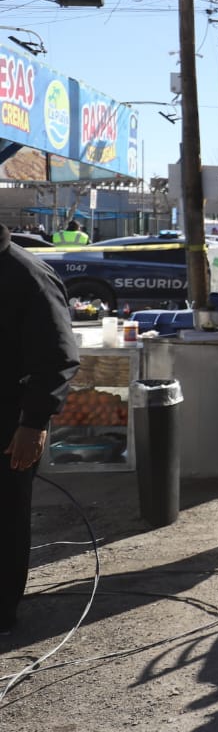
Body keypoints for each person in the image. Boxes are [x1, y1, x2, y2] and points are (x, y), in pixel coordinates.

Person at [1, 223, 80, 632]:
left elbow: (57, 356)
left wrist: (33, 423)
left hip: (9, 426)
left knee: (5, 520)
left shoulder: (27, 274)